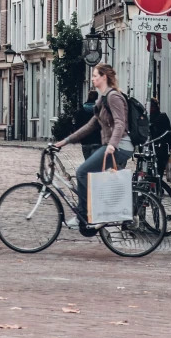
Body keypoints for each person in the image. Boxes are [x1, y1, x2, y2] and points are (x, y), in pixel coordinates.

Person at [55, 64, 134, 237]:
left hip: (120, 146)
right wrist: (65, 141)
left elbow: (120, 123)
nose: (92, 79)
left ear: (104, 77)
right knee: (93, 178)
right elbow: (91, 125)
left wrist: (112, 145)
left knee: (82, 172)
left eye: (95, 75)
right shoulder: (102, 99)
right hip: (112, 145)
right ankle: (98, 213)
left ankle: (84, 215)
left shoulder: (114, 97)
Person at [149, 98, 171, 178]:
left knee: (159, 169)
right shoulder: (147, 118)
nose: (151, 109)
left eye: (152, 106)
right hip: (152, 147)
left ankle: (158, 185)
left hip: (160, 148)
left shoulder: (162, 117)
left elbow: (168, 131)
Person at [73, 90, 101, 160]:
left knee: (88, 163)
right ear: (96, 98)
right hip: (97, 140)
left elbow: (77, 126)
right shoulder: (100, 110)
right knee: (95, 164)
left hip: (85, 141)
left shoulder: (81, 111)